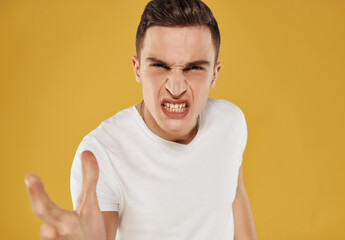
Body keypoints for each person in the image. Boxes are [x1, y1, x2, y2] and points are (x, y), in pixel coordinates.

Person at [25, 0, 258, 239]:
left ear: (214, 74)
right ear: (137, 69)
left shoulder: (231, 122)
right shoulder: (102, 153)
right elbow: (96, 233)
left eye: (194, 68)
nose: (176, 88)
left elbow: (236, 194)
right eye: (159, 65)